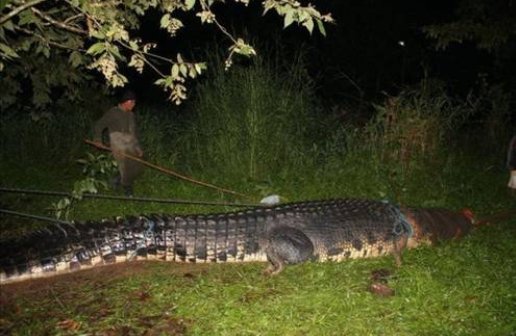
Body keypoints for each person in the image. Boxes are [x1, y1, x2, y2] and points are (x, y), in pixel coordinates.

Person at [93, 90, 144, 197]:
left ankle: (115, 180)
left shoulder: (131, 115)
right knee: (126, 165)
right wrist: (98, 139)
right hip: (118, 143)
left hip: (130, 143)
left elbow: (134, 133)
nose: (134, 105)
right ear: (126, 102)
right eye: (133, 102)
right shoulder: (113, 112)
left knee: (137, 166)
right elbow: (99, 124)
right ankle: (127, 188)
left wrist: (138, 148)